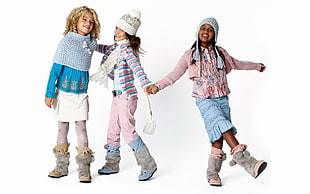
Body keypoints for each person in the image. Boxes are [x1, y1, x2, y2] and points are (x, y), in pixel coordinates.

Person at [145, 17, 267, 186]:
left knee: (218, 137)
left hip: (222, 99)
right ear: (198, 31)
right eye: (204, 28)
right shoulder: (190, 55)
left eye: (210, 30)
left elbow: (238, 64)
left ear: (214, 34)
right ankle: (247, 162)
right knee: (222, 124)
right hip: (204, 100)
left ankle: (212, 174)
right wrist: (157, 86)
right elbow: (173, 76)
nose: (206, 32)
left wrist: (256, 66)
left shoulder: (221, 53)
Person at [90, 10, 157, 181]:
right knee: (113, 129)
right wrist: (89, 42)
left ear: (129, 33)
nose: (116, 32)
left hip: (127, 97)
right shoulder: (115, 49)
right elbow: (103, 48)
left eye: (121, 30)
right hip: (116, 97)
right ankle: (112, 164)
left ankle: (148, 164)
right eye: (116, 28)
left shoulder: (127, 51)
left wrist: (146, 83)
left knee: (128, 131)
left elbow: (138, 70)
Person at [44, 6, 100, 183]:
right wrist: (49, 92)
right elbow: (55, 70)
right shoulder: (66, 42)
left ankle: (84, 168)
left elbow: (104, 50)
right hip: (64, 94)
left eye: (91, 21)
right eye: (84, 19)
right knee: (62, 128)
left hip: (81, 94)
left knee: (81, 128)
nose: (88, 23)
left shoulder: (91, 43)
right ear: (75, 20)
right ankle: (61, 166)